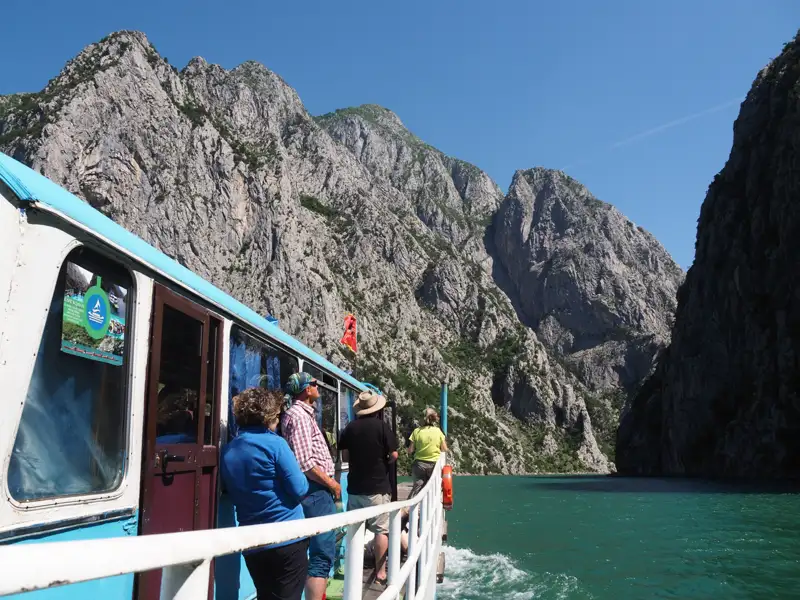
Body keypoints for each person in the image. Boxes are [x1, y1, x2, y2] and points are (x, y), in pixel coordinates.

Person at [220, 388, 310, 600]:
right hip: (287, 538)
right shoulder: (276, 444)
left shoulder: (229, 450)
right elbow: (300, 489)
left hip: (252, 541)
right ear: (269, 416)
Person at [281, 373, 341, 600]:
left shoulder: (296, 414)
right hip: (315, 492)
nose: (318, 388)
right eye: (315, 384)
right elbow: (305, 463)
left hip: (309, 492)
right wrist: (333, 484)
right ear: (307, 390)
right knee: (322, 554)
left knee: (310, 552)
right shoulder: (301, 417)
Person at [339, 390, 398, 585]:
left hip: (355, 488)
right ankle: (380, 572)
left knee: (355, 530)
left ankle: (353, 569)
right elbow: (394, 454)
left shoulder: (349, 428)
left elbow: (345, 457)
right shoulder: (382, 427)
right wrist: (386, 461)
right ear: (377, 409)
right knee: (381, 530)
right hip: (378, 488)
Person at [407, 408, 447, 498]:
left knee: (417, 487)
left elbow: (410, 450)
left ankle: (408, 508)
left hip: (419, 464)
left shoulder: (416, 431)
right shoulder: (438, 431)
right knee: (433, 488)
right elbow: (444, 449)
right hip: (434, 464)